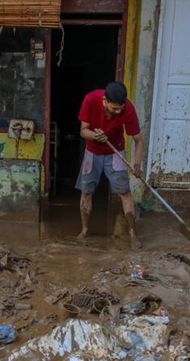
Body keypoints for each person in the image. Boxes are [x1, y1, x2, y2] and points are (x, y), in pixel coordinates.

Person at [75, 81, 145, 249]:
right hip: (92, 151)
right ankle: (84, 230)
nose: (118, 111)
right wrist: (94, 136)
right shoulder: (90, 100)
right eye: (114, 108)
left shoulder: (128, 108)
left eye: (120, 108)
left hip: (116, 151)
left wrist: (137, 164)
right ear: (104, 100)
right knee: (86, 191)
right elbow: (83, 130)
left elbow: (138, 140)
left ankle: (133, 234)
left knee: (124, 192)